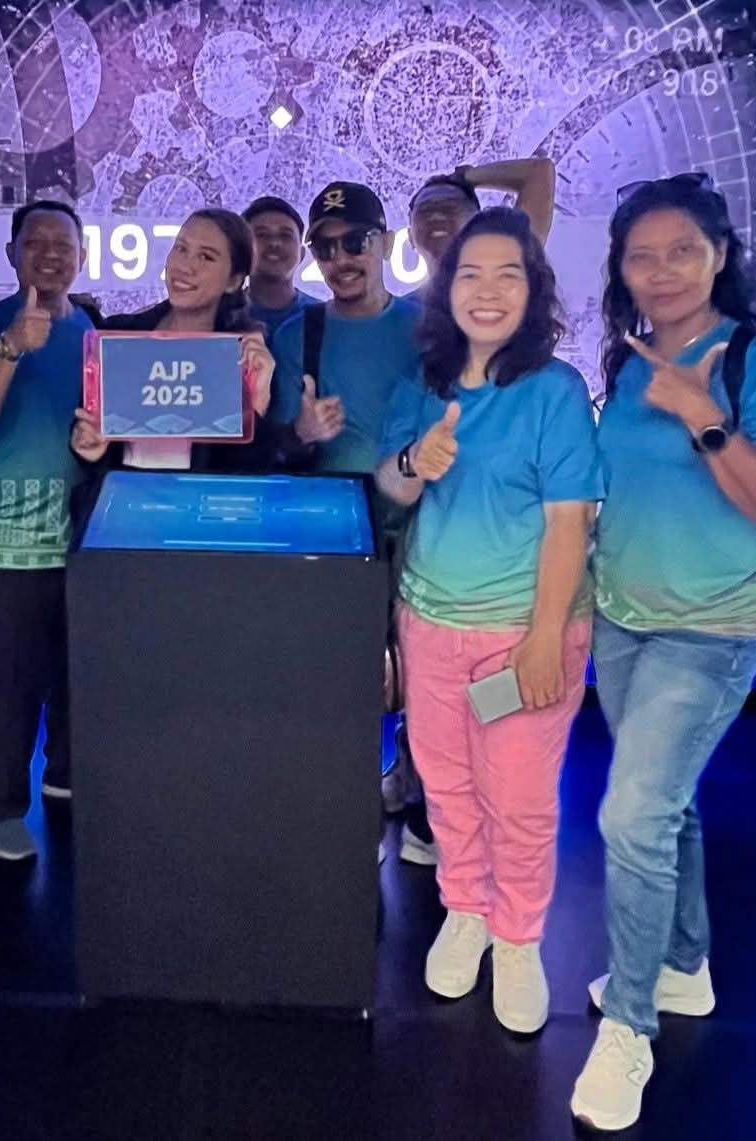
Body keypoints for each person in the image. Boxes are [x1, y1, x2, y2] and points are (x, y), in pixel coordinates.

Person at [569, 174, 756, 1131]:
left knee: (632, 813)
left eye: (682, 251)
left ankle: (630, 1026)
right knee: (665, 801)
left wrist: (702, 416)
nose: (661, 271)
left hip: (712, 628)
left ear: (719, 255)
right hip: (624, 617)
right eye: (642, 256)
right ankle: (683, 964)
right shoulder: (629, 360)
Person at [375, 207, 603, 1032]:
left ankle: (517, 937)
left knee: (520, 798)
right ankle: (466, 908)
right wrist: (415, 460)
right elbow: (391, 485)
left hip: (524, 633)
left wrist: (545, 639)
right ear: (446, 289)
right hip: (430, 624)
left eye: (509, 274)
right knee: (447, 786)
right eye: (470, 274)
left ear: (534, 290)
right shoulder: (424, 384)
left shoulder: (555, 391)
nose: (488, 291)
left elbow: (570, 521)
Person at [267, 180, 437, 866]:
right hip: (335, 529)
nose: (341, 259)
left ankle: (421, 799)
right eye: (326, 247)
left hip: (424, 523)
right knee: (344, 678)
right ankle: (349, 815)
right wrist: (302, 433)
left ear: (385, 243)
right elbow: (275, 448)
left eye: (355, 241)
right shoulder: (298, 334)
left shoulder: (427, 330)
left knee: (427, 671)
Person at [0, 200, 96, 861]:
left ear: (83, 256)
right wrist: (10, 348)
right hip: (0, 544)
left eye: (64, 244)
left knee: (76, 672)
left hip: (78, 539)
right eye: (35, 243)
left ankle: (66, 774)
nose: (51, 255)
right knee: (4, 688)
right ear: (11, 254)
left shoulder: (92, 331)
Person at [69, 207, 276, 474]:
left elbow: (249, 469)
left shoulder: (244, 356)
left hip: (199, 499)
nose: (185, 266)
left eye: (206, 256)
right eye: (181, 248)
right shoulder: (118, 336)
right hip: (123, 498)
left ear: (233, 281)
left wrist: (256, 404)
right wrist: (87, 446)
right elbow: (88, 437)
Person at [407, 158, 557, 297]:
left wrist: (466, 177)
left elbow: (538, 173)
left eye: (450, 208)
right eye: (425, 210)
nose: (436, 215)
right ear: (410, 237)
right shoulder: (399, 309)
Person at [242, 195, 310, 338]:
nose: (274, 243)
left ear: (302, 253)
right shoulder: (218, 317)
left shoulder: (323, 319)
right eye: (262, 235)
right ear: (241, 249)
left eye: (285, 235)